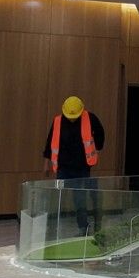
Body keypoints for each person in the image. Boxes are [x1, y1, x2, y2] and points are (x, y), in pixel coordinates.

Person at [44, 95, 105, 238]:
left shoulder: (90, 118)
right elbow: (50, 142)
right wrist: (46, 163)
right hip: (63, 167)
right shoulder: (58, 121)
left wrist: (97, 150)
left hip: (82, 166)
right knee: (59, 198)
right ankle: (52, 229)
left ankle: (84, 227)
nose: (72, 119)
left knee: (80, 198)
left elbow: (100, 134)